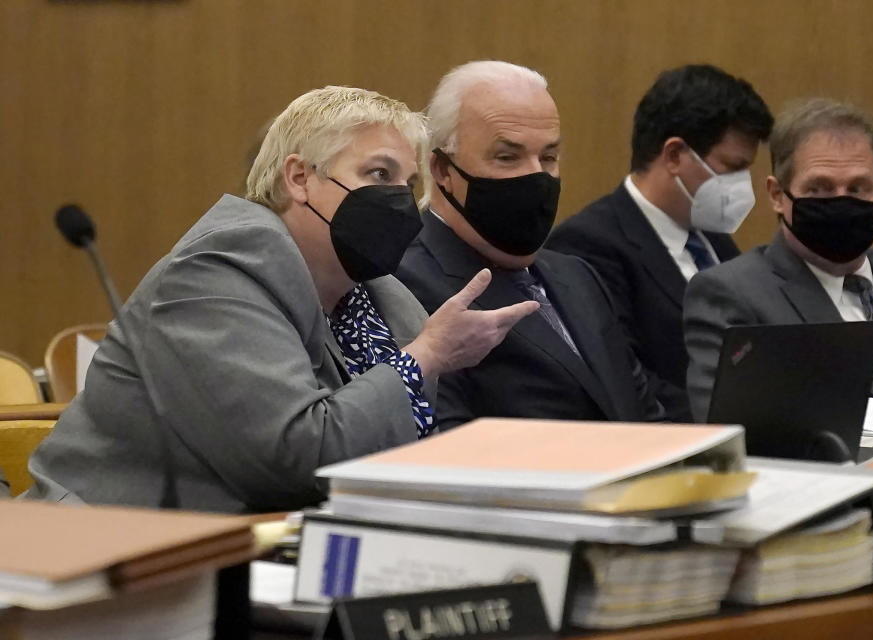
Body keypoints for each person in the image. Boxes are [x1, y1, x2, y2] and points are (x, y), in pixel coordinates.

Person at [25, 87, 537, 512]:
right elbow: (297, 460)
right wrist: (426, 357)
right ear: (299, 179)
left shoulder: (387, 299)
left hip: (269, 550)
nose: (401, 199)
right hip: (102, 557)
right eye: (378, 175)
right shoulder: (217, 270)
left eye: (409, 182)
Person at [397, 61, 664, 431]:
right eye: (508, 157)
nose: (537, 176)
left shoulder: (579, 276)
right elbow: (450, 444)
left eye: (549, 157)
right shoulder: (402, 283)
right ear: (443, 171)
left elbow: (644, 412)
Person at [684, 98, 873, 422]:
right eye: (819, 189)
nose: (840, 200)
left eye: (858, 188)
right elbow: (736, 434)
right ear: (777, 195)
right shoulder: (732, 296)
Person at [547, 65, 772, 421]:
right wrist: (735, 423)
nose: (742, 185)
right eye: (731, 167)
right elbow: (623, 377)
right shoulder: (588, 245)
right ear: (674, 156)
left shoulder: (715, 241)